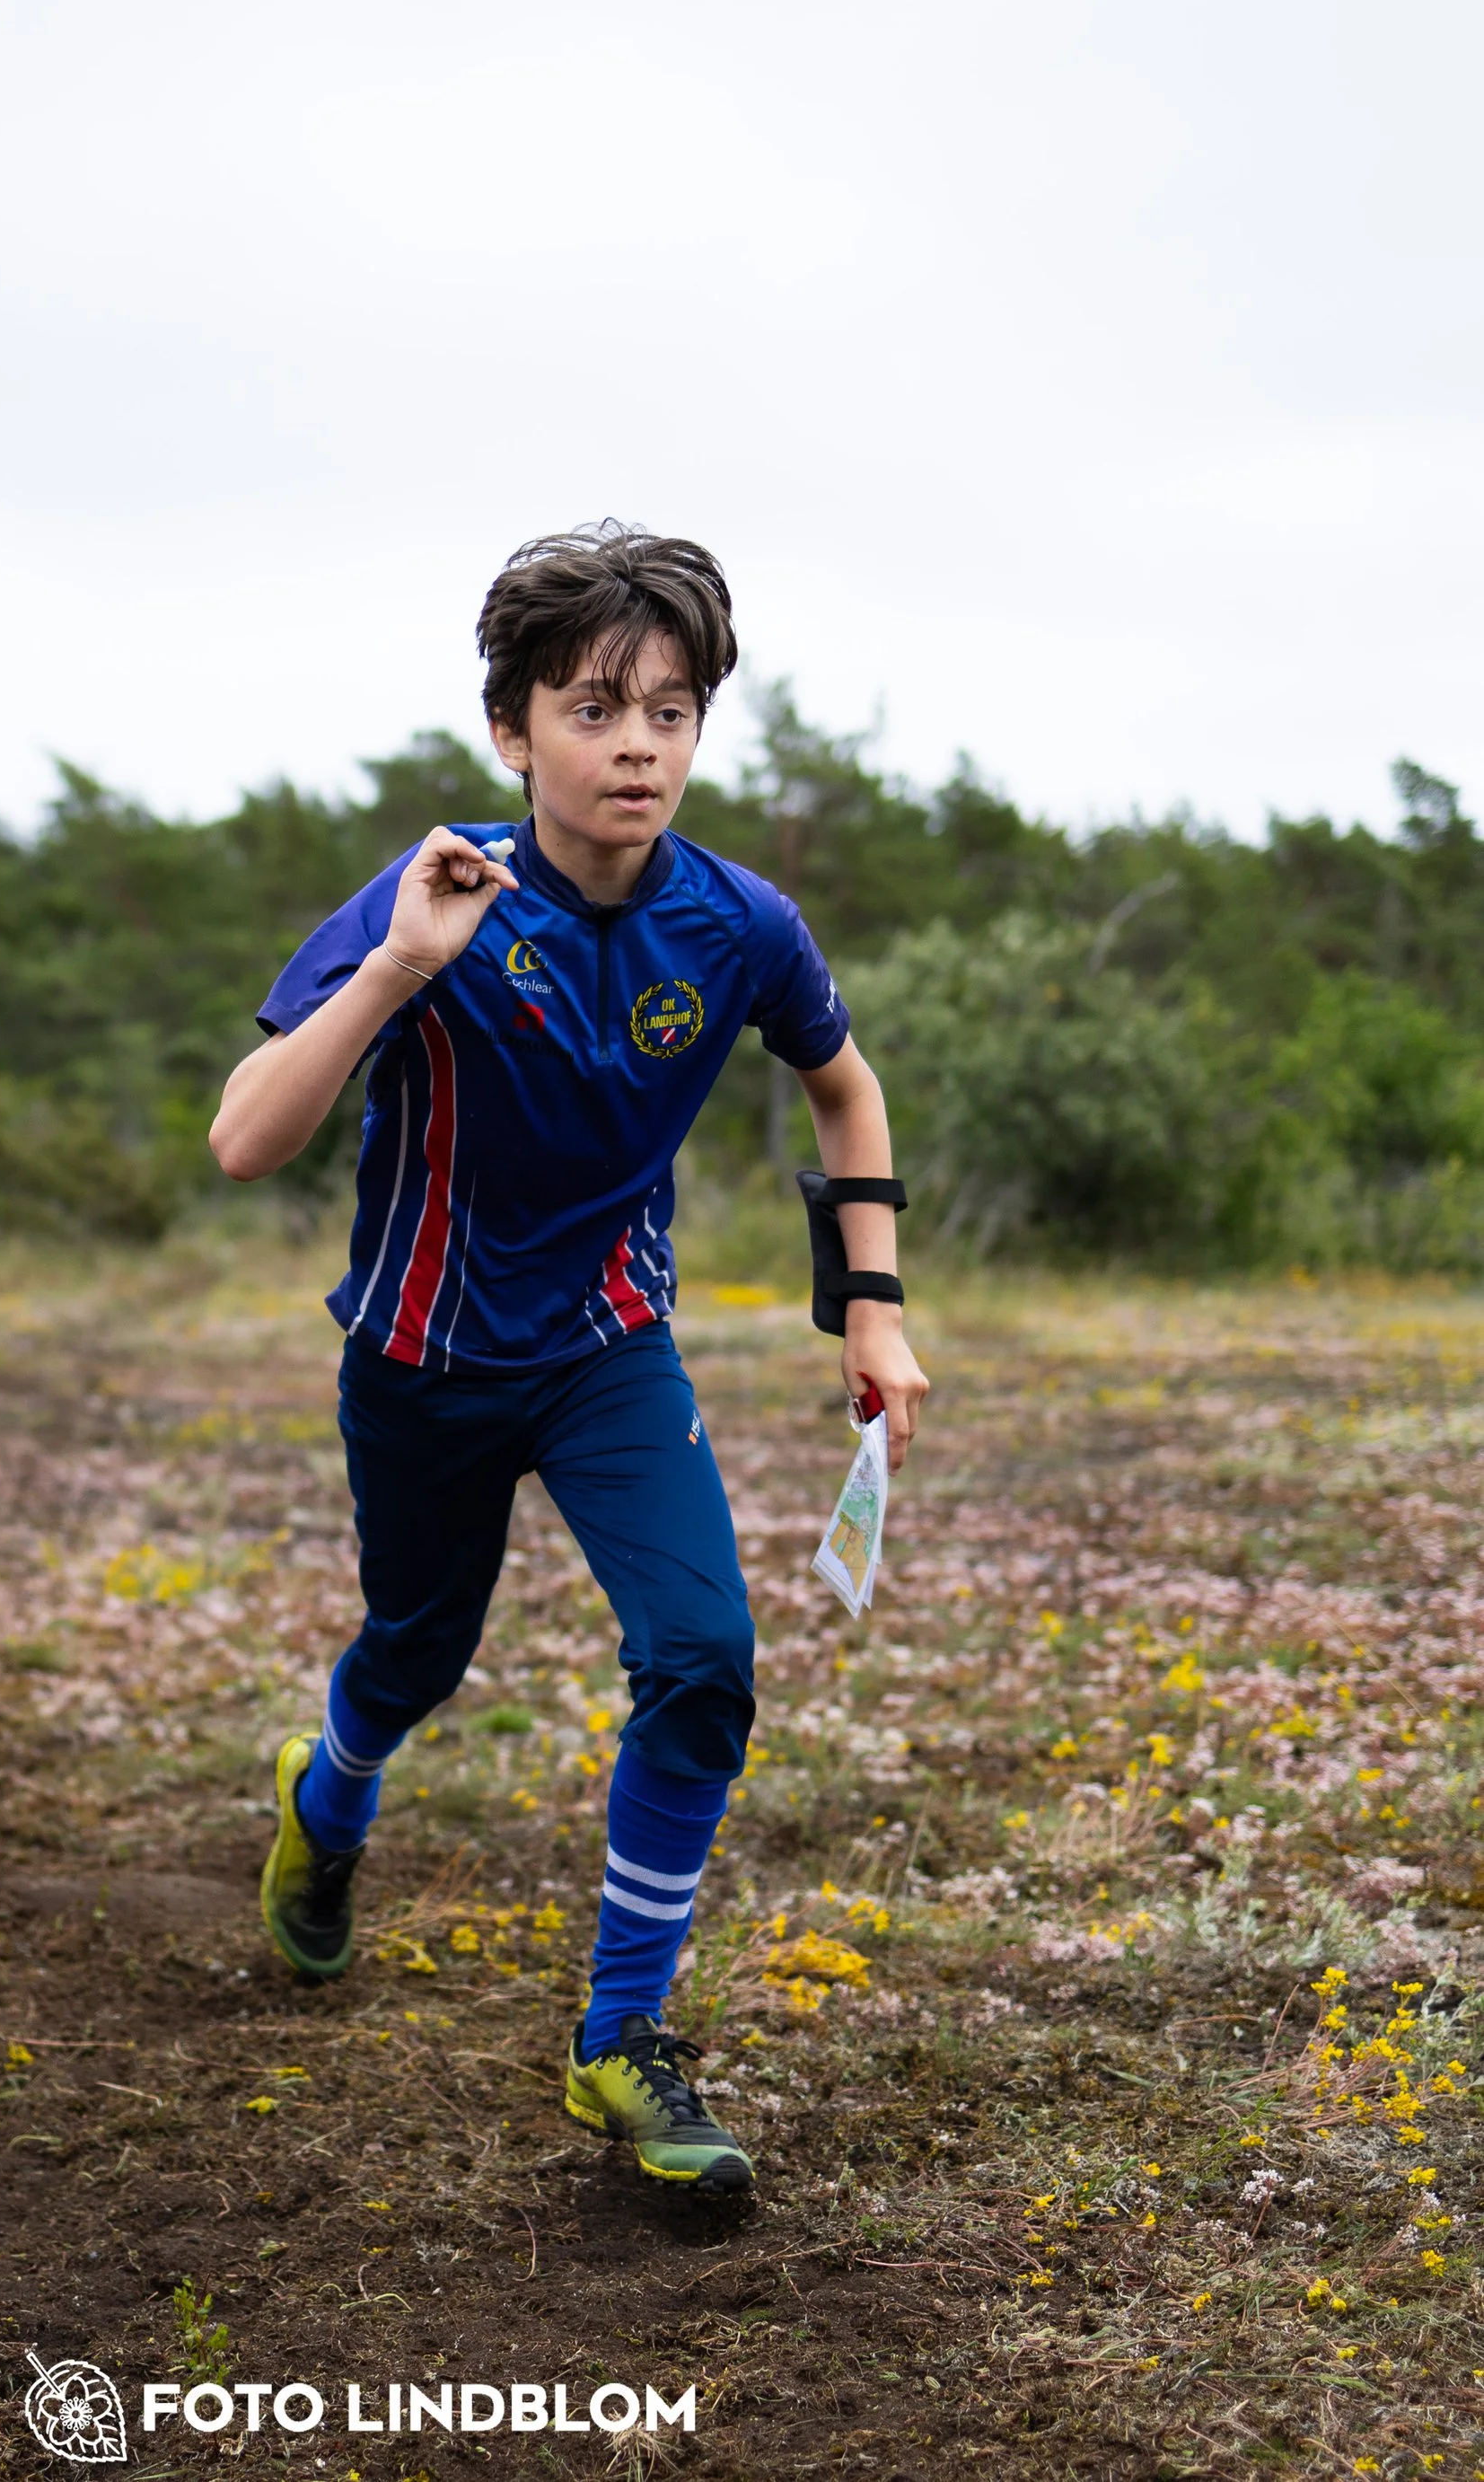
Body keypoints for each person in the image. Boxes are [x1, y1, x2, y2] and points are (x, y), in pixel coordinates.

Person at [208, 523, 928, 2201]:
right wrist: (400, 967)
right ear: (514, 731)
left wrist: (872, 1309)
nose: (639, 747)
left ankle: (621, 2043)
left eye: (672, 713)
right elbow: (247, 1140)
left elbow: (846, 1083)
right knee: (415, 1655)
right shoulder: (439, 895)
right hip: (423, 1360)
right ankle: (333, 1800)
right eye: (597, 709)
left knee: (705, 1654)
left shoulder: (739, 924)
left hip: (610, 1351)